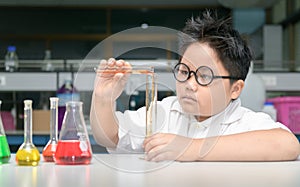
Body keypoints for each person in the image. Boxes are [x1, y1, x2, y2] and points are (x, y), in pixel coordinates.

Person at [90, 11, 299, 162]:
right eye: (184, 72)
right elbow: (111, 137)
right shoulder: (166, 111)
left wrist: (192, 148)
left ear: (235, 89)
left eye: (204, 76)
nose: (189, 84)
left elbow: (288, 144)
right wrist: (102, 98)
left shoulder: (244, 122)